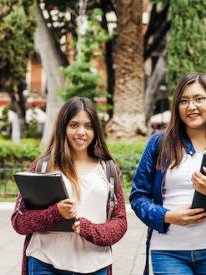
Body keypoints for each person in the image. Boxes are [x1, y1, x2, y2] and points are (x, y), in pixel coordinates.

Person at [130, 72, 206, 275]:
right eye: (184, 101)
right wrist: (168, 216)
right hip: (168, 251)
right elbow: (138, 197)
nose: (191, 107)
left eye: (199, 99)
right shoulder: (159, 144)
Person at [11, 97, 127, 275]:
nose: (81, 132)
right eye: (74, 125)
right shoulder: (42, 167)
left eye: (88, 126)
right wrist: (55, 213)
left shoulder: (108, 169)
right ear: (63, 127)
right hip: (45, 263)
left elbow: (120, 222)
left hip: (95, 266)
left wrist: (90, 230)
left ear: (96, 130)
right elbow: (19, 222)